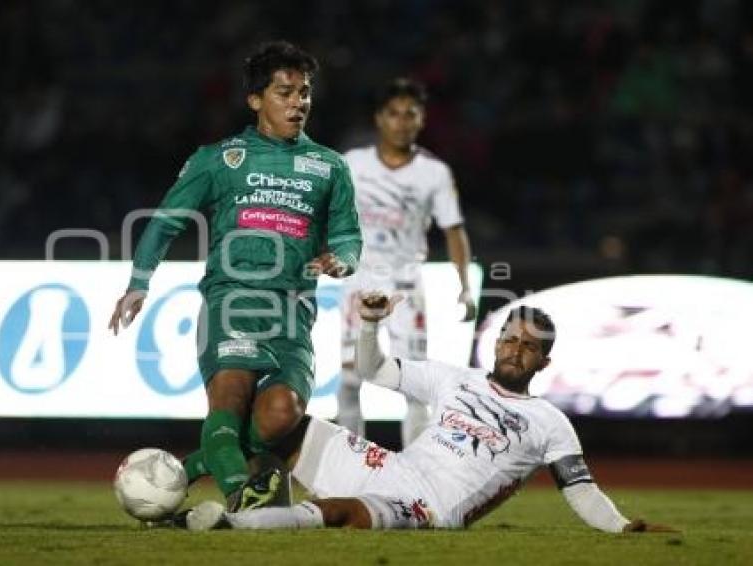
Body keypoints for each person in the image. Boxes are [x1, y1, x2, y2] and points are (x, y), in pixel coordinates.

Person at [108, 41, 362, 512]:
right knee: (228, 400)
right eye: (285, 93)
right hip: (233, 301)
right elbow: (166, 221)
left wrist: (341, 260)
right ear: (255, 99)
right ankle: (243, 499)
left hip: (293, 312)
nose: (298, 103)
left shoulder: (330, 166)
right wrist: (139, 283)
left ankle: (181, 473)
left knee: (280, 416)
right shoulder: (220, 159)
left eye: (304, 93)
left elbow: (348, 236)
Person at [184, 292, 675, 533]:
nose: (514, 349)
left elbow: (581, 490)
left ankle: (232, 524)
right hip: (391, 466)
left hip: (432, 507)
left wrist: (620, 526)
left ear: (543, 361)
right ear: (498, 339)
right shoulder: (454, 379)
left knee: (337, 514)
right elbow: (373, 367)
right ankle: (175, 478)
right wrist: (372, 324)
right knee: (274, 424)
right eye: (510, 337)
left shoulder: (550, 421)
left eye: (528, 346)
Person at [339, 78, 475, 446]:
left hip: (405, 283)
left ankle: (414, 473)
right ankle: (348, 465)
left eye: (410, 114)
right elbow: (329, 214)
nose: (401, 122)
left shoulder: (434, 172)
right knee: (350, 378)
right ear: (379, 119)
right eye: (394, 114)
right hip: (358, 280)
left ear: (422, 120)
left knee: (413, 381)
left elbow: (454, 230)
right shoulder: (352, 164)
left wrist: (464, 286)